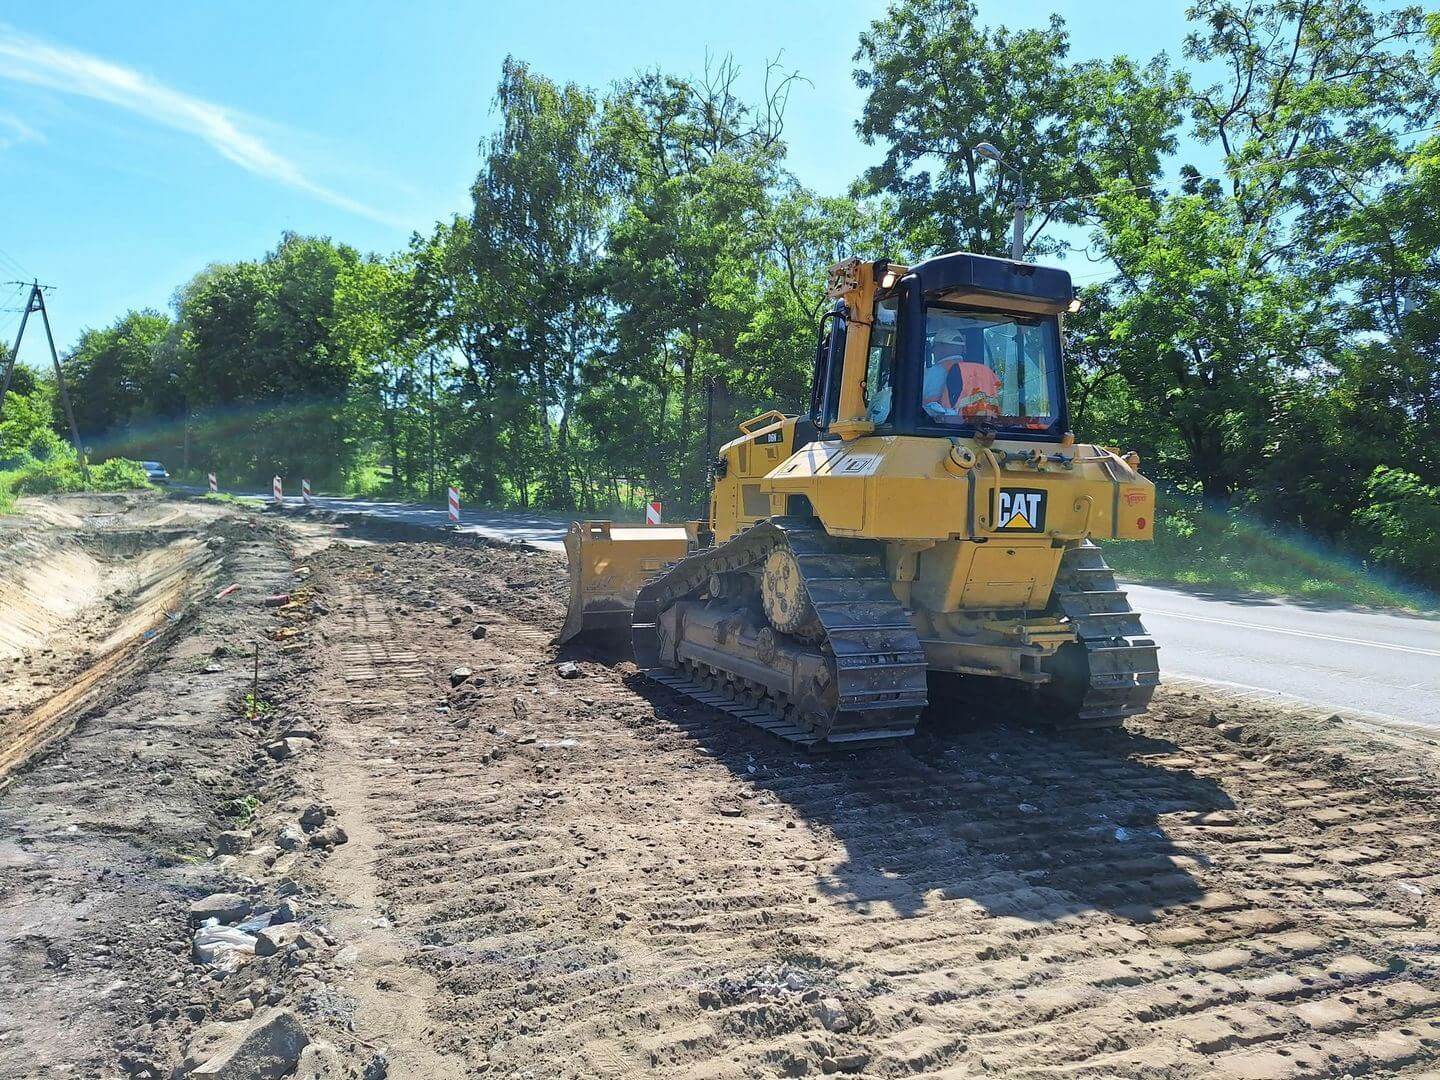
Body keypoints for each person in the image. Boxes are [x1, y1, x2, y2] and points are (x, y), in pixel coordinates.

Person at [922, 329, 1002, 423]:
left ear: (940, 347)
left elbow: (926, 407)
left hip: (944, 429)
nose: (933, 351)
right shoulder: (986, 372)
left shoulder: (931, 373)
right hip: (984, 429)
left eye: (933, 347)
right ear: (963, 348)